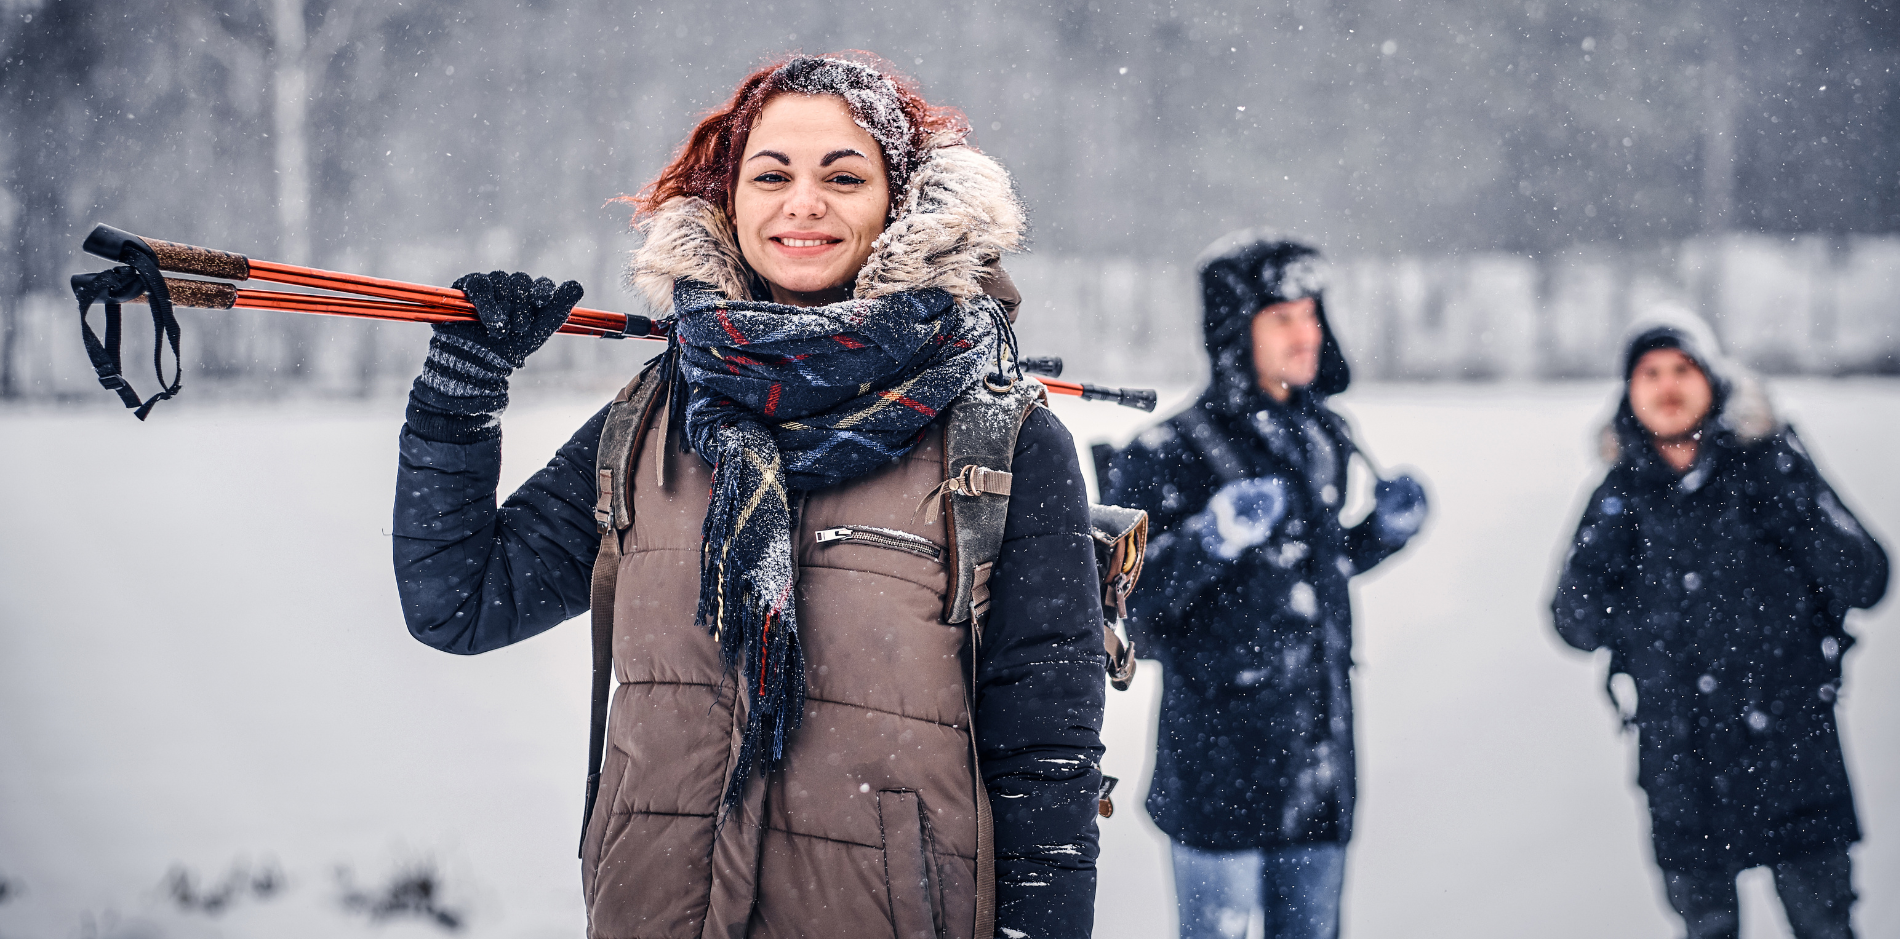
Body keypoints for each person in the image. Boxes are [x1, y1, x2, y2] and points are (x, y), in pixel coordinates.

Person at [390, 54, 1108, 938]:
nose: (802, 204)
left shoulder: (999, 438)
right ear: (728, 201)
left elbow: (1047, 753)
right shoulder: (657, 414)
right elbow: (463, 603)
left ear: (903, 204)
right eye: (771, 175)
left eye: (843, 176)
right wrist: (460, 399)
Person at [1095, 234, 1428, 939]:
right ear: (1234, 330)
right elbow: (1127, 605)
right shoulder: (1168, 451)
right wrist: (1208, 540)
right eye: (1283, 317)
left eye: (1311, 314)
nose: (1306, 334)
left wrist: (1380, 533)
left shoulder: (1322, 437)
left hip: (1320, 764)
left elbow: (1310, 571)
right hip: (1218, 776)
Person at [1551, 306, 1889, 939]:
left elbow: (1865, 579)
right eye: (1649, 373)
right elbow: (1573, 621)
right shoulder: (1622, 491)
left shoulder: (1771, 466)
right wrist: (1613, 564)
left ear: (1714, 380)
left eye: (1682, 368)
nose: (1667, 386)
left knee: (1826, 927)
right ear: (1629, 392)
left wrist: (1792, 494)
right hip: (1683, 771)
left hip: (1794, 753)